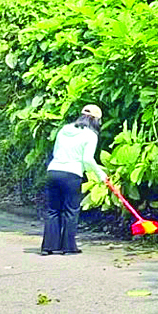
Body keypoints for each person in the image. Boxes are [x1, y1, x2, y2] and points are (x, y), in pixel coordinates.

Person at [41, 104, 107, 256]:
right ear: (96, 121)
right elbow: (87, 159)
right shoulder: (91, 135)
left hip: (53, 171)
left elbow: (55, 151)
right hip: (72, 174)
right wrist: (100, 175)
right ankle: (68, 247)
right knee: (71, 211)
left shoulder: (64, 129)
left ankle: (48, 247)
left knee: (53, 210)